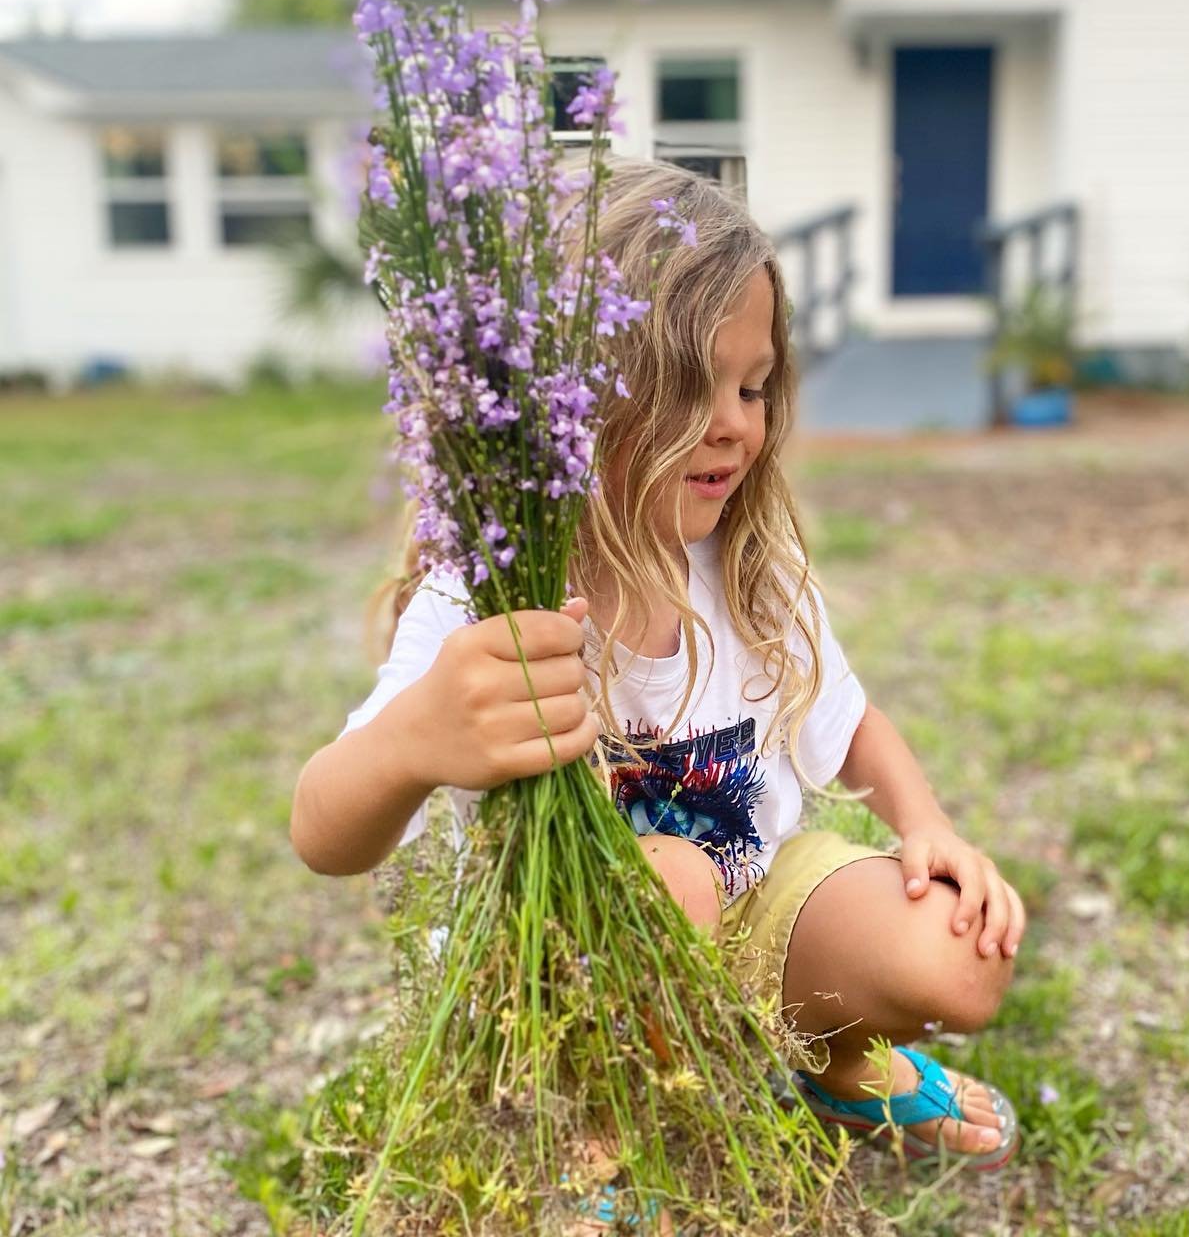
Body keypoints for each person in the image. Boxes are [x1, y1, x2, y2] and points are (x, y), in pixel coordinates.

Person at [290, 159, 1026, 1193]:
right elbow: (321, 829)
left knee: (959, 953)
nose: (731, 421)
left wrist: (927, 827)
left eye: (753, 385)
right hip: (555, 989)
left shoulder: (749, 572)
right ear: (563, 397)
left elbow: (851, 724)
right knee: (670, 877)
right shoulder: (492, 600)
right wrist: (418, 739)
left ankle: (836, 1065)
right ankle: (601, 1142)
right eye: (689, 386)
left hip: (751, 926)